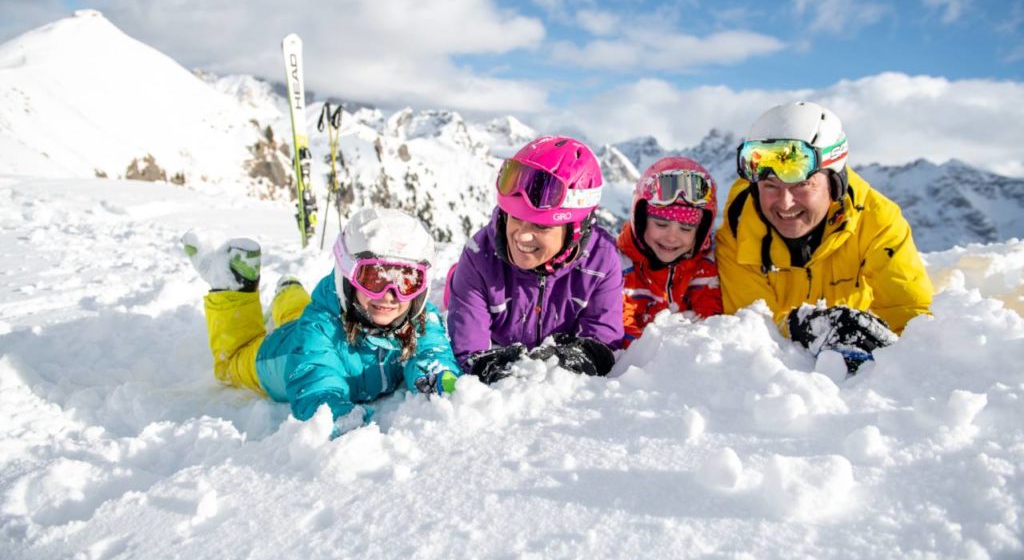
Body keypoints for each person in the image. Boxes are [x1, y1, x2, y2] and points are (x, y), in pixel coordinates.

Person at [183, 208, 461, 433]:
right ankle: (232, 285)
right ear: (347, 275)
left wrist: (436, 377)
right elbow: (317, 379)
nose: (390, 294)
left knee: (298, 314)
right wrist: (338, 415)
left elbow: (431, 351)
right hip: (280, 355)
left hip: (304, 325)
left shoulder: (419, 318)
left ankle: (289, 291)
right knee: (231, 363)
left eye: (407, 281)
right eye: (374, 278)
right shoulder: (319, 329)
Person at [714, 101, 934, 373]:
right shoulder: (738, 233)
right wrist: (806, 326)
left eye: (802, 185)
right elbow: (753, 328)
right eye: (770, 186)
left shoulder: (877, 223)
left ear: (835, 181)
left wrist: (886, 356)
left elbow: (912, 319)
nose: (784, 203)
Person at [446, 135, 625, 383]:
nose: (522, 235)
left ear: (575, 230)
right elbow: (469, 352)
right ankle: (455, 282)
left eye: (541, 227)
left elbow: (603, 340)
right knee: (459, 284)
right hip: (501, 331)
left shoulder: (600, 260)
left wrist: (564, 362)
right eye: (515, 217)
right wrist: (501, 370)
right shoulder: (480, 255)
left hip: (559, 338)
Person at [618, 156, 722, 345]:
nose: (672, 237)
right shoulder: (620, 268)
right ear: (640, 221)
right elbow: (620, 332)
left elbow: (713, 324)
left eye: (686, 229)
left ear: (700, 233)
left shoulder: (704, 267)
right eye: (661, 224)